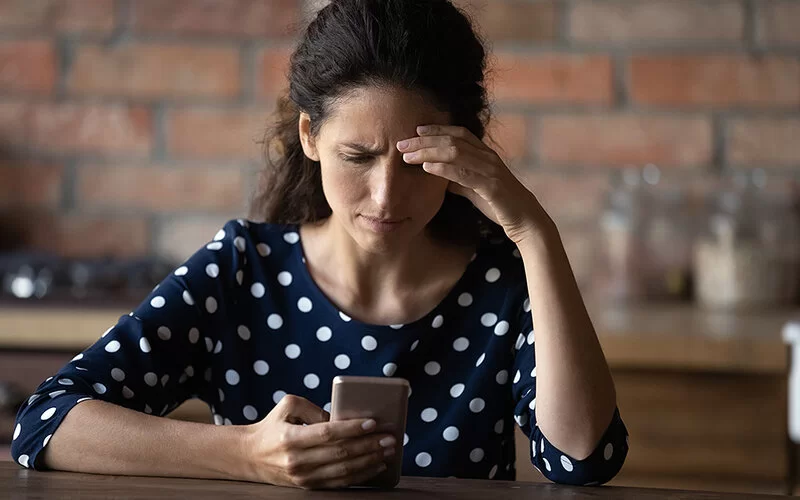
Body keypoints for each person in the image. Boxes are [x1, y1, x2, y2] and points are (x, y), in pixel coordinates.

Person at [10, 0, 628, 489]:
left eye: (416, 163)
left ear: (464, 150)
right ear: (310, 135)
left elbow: (580, 458)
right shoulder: (242, 269)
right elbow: (46, 424)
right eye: (357, 157)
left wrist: (533, 232)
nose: (385, 197)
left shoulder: (504, 286)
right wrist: (247, 453)